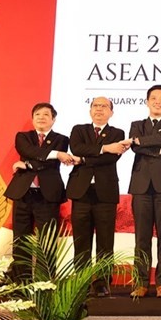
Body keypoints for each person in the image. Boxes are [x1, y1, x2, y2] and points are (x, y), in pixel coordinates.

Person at [4, 102, 74, 281]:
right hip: (23, 194)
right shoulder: (23, 137)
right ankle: (21, 280)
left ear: (53, 119)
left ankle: (46, 281)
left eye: (46, 115)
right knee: (21, 239)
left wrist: (27, 164)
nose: (41, 118)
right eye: (38, 115)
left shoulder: (62, 139)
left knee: (47, 241)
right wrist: (56, 154)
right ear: (32, 118)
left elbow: (47, 162)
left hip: (47, 195)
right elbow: (28, 150)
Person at [66, 97, 128, 297]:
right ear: (90, 110)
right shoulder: (78, 129)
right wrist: (104, 148)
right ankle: (82, 281)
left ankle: (102, 282)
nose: (99, 109)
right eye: (96, 106)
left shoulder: (117, 133)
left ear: (111, 112)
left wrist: (85, 159)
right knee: (81, 240)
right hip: (81, 192)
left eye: (104, 107)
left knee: (105, 240)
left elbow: (111, 157)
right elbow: (76, 148)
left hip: (105, 192)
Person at [127, 85, 161, 298]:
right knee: (141, 237)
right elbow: (134, 146)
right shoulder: (136, 125)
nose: (158, 102)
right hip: (141, 185)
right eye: (153, 98)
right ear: (147, 101)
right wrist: (160, 148)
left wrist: (144, 141)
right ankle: (141, 282)